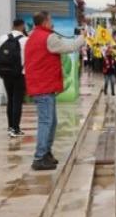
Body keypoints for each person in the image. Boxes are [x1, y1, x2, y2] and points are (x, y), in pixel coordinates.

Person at [24, 11, 84, 170]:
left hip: (42, 85)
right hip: (43, 86)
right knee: (46, 122)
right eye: (51, 20)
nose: (53, 23)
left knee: (51, 121)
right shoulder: (47, 37)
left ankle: (46, 153)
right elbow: (70, 47)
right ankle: (40, 157)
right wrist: (83, 38)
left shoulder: (34, 36)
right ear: (44, 22)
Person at [0, 19, 28, 137]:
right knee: (17, 101)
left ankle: (10, 127)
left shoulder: (2, 38)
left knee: (10, 99)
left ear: (13, 26)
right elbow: (27, 58)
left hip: (5, 73)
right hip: (20, 74)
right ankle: (16, 128)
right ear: (22, 26)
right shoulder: (25, 40)